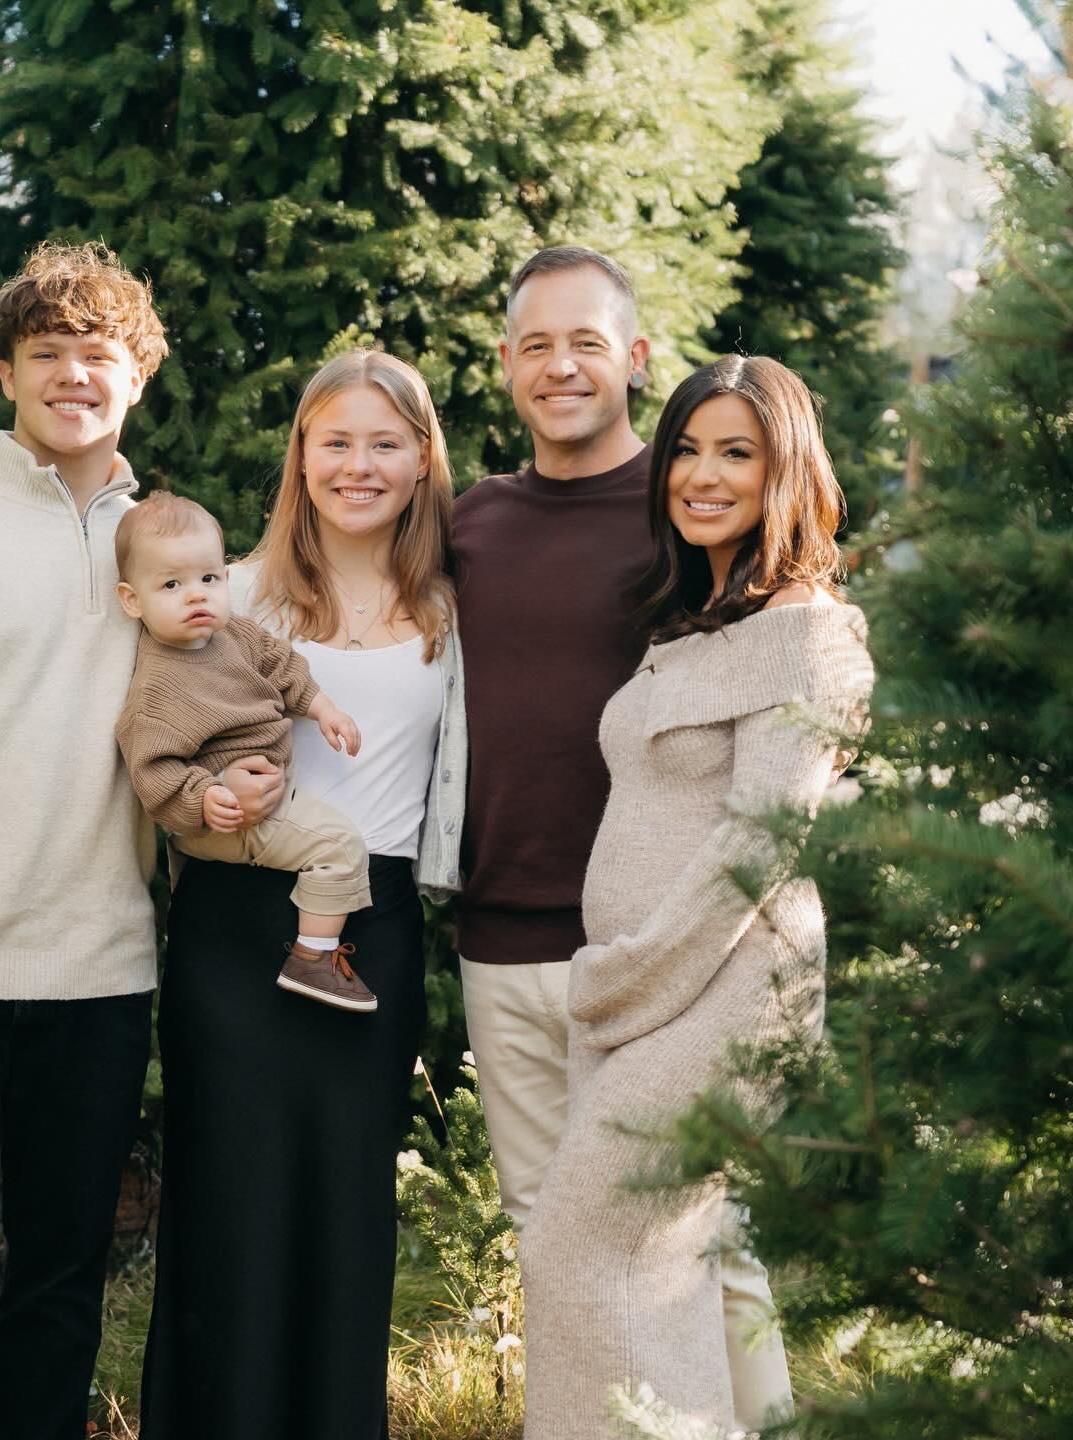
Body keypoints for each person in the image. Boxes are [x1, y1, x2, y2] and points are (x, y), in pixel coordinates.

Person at [0, 242, 279, 1438]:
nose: (75, 375)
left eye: (100, 355)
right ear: (9, 374)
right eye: (48, 355)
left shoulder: (170, 552)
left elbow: (223, 705)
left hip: (103, 977)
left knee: (65, 1290)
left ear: (136, 376)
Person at [453, 245, 795, 1425]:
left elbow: (785, 659)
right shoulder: (471, 525)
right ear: (506, 365)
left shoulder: (687, 509)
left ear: (636, 359)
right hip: (505, 941)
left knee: (698, 1242)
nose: (561, 366)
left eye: (587, 341)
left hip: (665, 958)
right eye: (536, 344)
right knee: (549, 1237)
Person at [519, 355, 876, 1436]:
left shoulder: (811, 634)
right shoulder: (697, 620)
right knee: (662, 1269)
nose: (703, 475)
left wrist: (628, 975)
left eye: (738, 452)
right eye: (686, 449)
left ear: (788, 471)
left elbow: (757, 844)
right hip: (645, 991)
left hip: (721, 988)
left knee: (588, 1245)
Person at [138, 348, 466, 1440]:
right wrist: (206, 793)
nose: (358, 465)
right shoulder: (229, 594)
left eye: (385, 443)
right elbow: (148, 746)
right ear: (302, 456)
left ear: (422, 460)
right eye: (336, 442)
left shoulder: (457, 610)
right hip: (233, 927)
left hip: (368, 934)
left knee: (342, 1219)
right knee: (229, 1210)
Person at [113, 491, 378, 1010]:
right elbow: (153, 772)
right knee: (339, 847)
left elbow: (285, 670)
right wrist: (208, 798)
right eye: (171, 585)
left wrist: (325, 710)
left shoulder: (235, 634)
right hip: (230, 816)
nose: (196, 596)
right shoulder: (157, 689)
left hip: (252, 805)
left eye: (208, 579)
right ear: (132, 600)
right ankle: (314, 958)